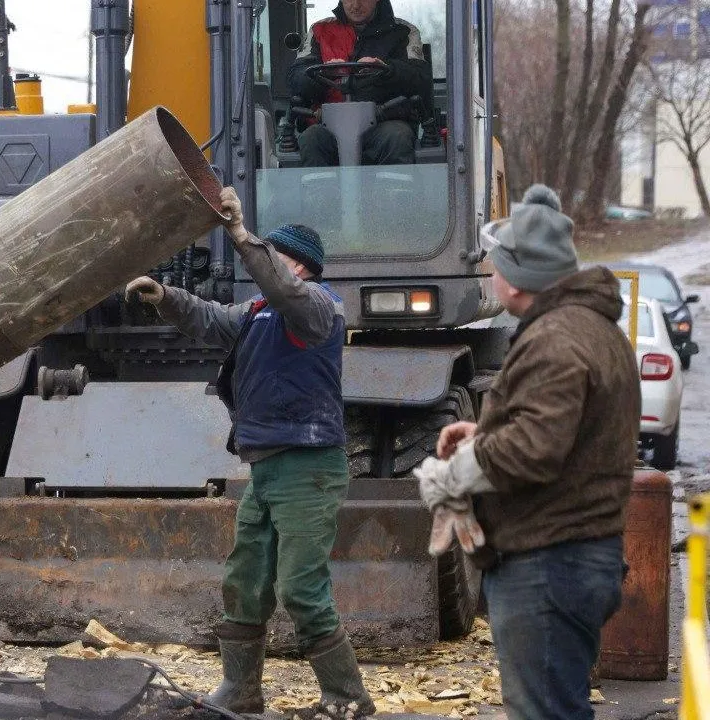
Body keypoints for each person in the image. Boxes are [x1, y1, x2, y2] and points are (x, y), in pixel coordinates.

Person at [126, 188, 374, 718]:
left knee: (301, 588)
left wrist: (240, 234)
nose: (262, 266)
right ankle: (241, 690)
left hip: (308, 467)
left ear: (297, 267)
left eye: (273, 257)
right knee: (245, 582)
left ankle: (347, 698)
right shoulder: (260, 313)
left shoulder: (318, 307)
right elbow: (211, 319)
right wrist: (164, 296)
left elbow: (282, 289)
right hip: (266, 468)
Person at [414, 185, 640, 720]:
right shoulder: (588, 329)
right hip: (570, 558)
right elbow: (569, 435)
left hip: (548, 565)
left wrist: (457, 474)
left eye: (497, 264)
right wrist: (488, 432)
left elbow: (534, 450)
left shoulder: (557, 340)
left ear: (516, 280)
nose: (492, 272)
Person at [287, 0, 432, 167]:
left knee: (397, 137)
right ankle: (320, 186)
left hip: (384, 121)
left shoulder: (403, 32)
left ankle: (393, 185)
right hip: (329, 124)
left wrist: (388, 70)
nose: (355, 5)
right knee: (311, 139)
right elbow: (296, 79)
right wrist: (324, 74)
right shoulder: (320, 31)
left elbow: (421, 79)